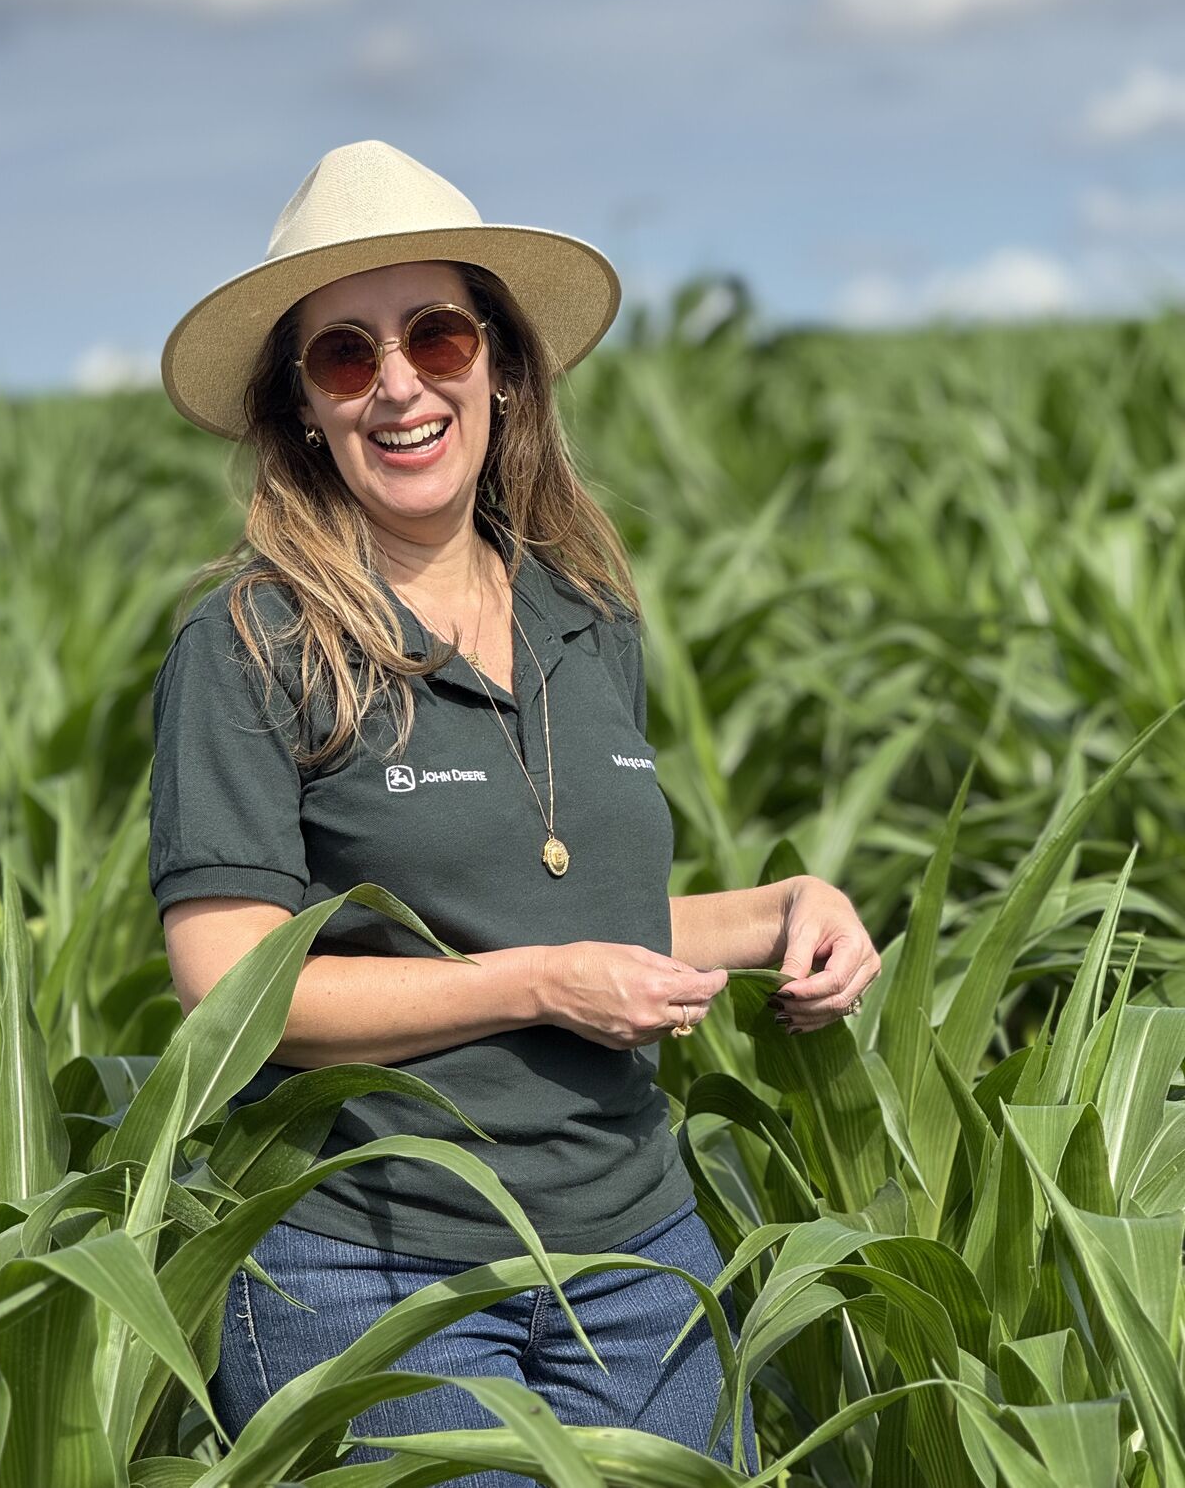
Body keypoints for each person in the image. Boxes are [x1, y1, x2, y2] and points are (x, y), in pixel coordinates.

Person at [148, 138, 881, 1480]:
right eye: (345, 357)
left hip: (642, 1254)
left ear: (498, 361)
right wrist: (542, 986)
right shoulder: (253, 643)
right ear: (301, 408)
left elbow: (566, 910)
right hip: (372, 1272)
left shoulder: (584, 615)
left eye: (434, 334)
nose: (400, 387)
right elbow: (231, 988)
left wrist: (783, 913)